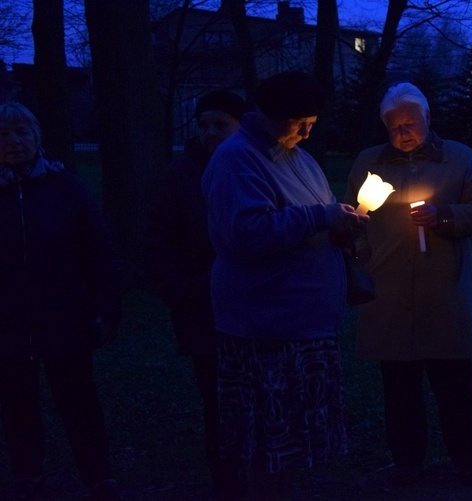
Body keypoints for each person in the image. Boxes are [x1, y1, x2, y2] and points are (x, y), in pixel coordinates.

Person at [201, 71, 368, 500]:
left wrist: (340, 228)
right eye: (300, 122)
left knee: (290, 443)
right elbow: (246, 234)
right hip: (266, 330)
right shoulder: (237, 159)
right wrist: (321, 217)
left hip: (303, 325)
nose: (307, 131)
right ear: (272, 116)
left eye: (312, 121)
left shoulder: (297, 156)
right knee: (266, 440)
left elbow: (313, 219)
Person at [343, 82, 472, 486]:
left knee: (454, 382)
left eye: (411, 123)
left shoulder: (459, 157)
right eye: (394, 127)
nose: (403, 132)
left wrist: (443, 216)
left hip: (442, 288)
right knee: (398, 384)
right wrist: (358, 245)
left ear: (428, 119)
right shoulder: (369, 162)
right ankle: (407, 461)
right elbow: (353, 217)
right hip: (388, 289)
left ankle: (467, 461)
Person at [0, 101, 122, 500]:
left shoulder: (66, 188)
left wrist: (104, 305)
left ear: (37, 138)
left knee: (78, 399)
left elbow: (97, 249)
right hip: (7, 322)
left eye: (21, 132)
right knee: (16, 401)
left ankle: (98, 474)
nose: (13, 141)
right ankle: (26, 471)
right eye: (3, 134)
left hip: (64, 317)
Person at [143, 89, 248, 499]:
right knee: (217, 394)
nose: (209, 132)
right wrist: (180, 288)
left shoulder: (253, 167)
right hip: (203, 305)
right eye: (203, 124)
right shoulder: (182, 175)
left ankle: (259, 468)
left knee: (255, 391)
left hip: (254, 302)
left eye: (219, 124)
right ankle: (225, 474)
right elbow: (158, 236)